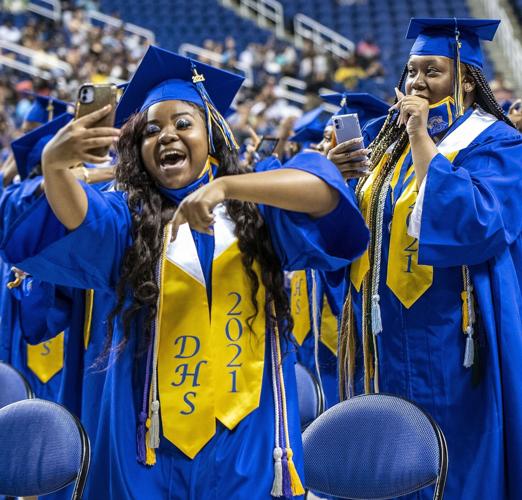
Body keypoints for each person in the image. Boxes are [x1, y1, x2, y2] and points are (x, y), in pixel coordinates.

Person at [1, 46, 369, 498]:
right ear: (138, 150)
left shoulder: (255, 209)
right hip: (150, 442)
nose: (167, 135)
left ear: (212, 136)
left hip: (249, 437)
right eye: (151, 129)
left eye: (182, 124)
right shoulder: (126, 219)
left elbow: (323, 192)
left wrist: (225, 188)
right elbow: (77, 217)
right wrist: (56, 168)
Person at [335, 18, 522, 499]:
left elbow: (482, 223)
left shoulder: (496, 143)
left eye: (432, 71)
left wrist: (422, 139)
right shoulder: (387, 147)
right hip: (379, 331)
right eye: (412, 71)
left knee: (448, 454)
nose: (417, 82)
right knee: (385, 459)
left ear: (466, 78)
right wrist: (336, 176)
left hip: (449, 333)